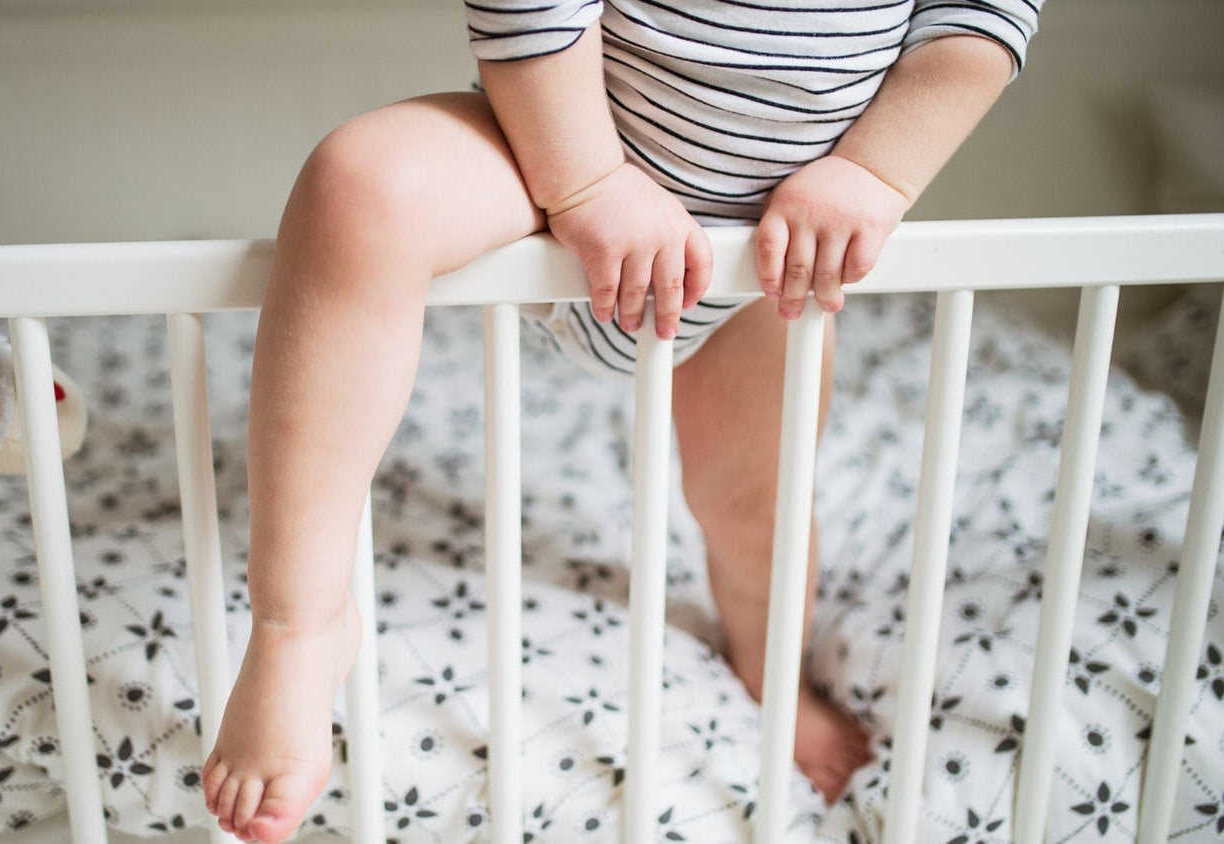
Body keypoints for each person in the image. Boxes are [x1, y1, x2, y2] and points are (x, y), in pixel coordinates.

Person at [202, 0, 1040, 839]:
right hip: (549, 151)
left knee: (756, 506)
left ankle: (773, 674)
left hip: (763, 248)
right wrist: (589, 182)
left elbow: (979, 17)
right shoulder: (561, 163)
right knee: (359, 184)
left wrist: (875, 172)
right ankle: (298, 624)